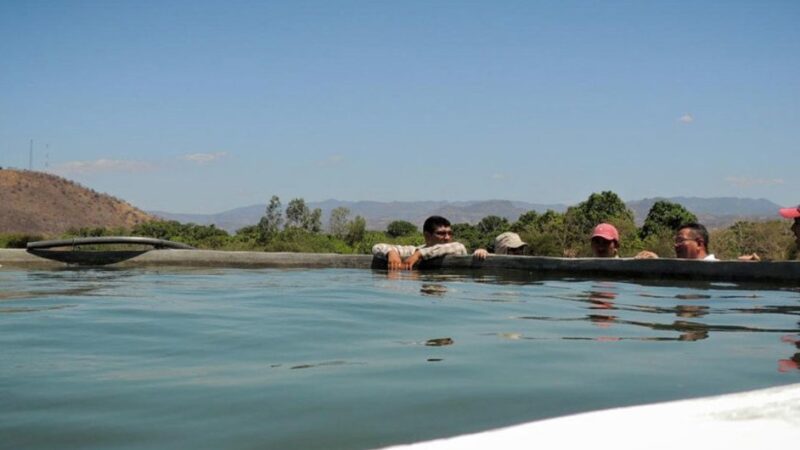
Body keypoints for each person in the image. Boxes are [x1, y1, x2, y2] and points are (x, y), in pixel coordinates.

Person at [372, 215, 467, 270]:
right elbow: (377, 247)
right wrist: (391, 253)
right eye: (441, 233)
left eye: (450, 233)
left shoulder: (455, 249)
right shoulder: (414, 251)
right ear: (427, 235)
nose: (447, 237)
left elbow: (459, 247)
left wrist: (420, 254)